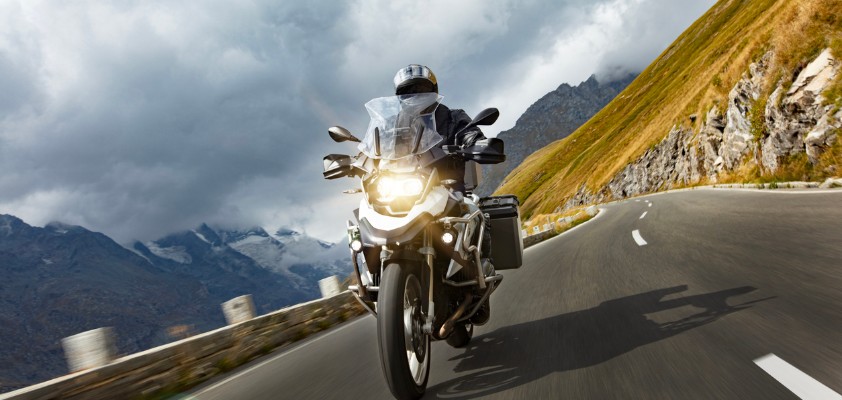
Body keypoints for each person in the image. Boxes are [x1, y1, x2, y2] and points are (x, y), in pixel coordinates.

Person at [393, 64, 486, 193]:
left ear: (433, 91)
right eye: (407, 93)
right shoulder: (396, 127)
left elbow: (469, 132)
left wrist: (475, 142)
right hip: (402, 191)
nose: (414, 97)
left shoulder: (453, 117)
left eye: (420, 90)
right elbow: (380, 147)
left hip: (449, 191)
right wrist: (360, 159)